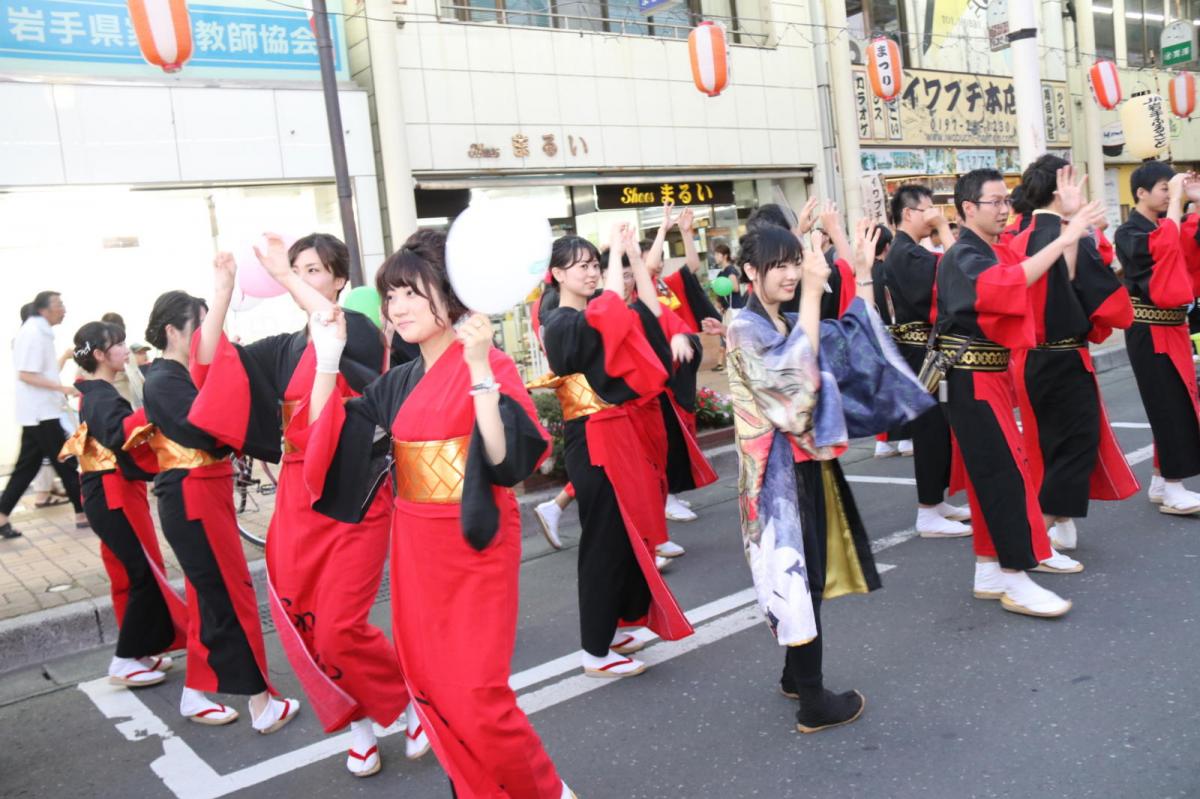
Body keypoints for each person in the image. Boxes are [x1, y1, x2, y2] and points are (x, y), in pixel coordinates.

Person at [301, 229, 574, 798]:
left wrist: (478, 369)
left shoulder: (489, 360)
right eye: (391, 295)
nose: (396, 307)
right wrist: (326, 360)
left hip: (473, 548)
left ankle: (547, 791)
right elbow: (326, 445)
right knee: (431, 687)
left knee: (478, 698)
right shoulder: (400, 380)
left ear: (449, 296)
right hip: (416, 551)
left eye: (410, 292)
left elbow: (509, 461)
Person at [187, 234, 420, 777]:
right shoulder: (286, 346)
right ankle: (356, 725)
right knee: (302, 623)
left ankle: (406, 701)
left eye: (314, 270)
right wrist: (222, 291)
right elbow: (209, 366)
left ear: (340, 279)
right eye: (295, 270)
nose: (301, 278)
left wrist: (287, 279)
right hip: (297, 492)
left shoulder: (360, 329)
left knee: (340, 626)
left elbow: (337, 340)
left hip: (352, 489)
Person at [725, 221, 930, 733]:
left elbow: (843, 343)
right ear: (751, 272)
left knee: (805, 577)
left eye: (796, 262)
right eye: (780, 265)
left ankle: (797, 676)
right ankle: (813, 702)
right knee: (799, 580)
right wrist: (816, 294)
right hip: (777, 481)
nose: (792, 274)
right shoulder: (743, 327)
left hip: (799, 469)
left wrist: (860, 276)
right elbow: (794, 390)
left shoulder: (776, 317)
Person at [936, 168, 1105, 618]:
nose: (1003, 209)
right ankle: (1015, 575)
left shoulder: (988, 250)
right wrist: (1064, 234)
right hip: (971, 380)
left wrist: (1066, 227)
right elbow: (1007, 286)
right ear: (968, 208)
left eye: (1004, 201)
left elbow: (1044, 275)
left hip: (984, 378)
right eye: (994, 202)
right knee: (1005, 479)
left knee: (992, 476)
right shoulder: (963, 255)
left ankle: (990, 570)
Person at [135, 289, 300, 731]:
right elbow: (206, 431)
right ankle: (262, 702)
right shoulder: (163, 379)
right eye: (201, 326)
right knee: (230, 594)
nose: (210, 335)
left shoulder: (178, 374)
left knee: (210, 597)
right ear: (173, 330)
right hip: (192, 495)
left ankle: (194, 692)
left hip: (201, 491)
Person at [541, 225, 695, 679]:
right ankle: (594, 650)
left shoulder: (584, 314)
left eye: (594, 264)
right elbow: (609, 313)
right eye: (582, 266)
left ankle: (611, 629)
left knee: (624, 537)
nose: (590, 273)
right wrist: (615, 258)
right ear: (557, 275)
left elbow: (622, 318)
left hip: (611, 432)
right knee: (603, 543)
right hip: (592, 438)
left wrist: (624, 257)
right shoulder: (560, 322)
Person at [1007, 157, 1138, 551]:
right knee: (1076, 445)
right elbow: (1108, 304)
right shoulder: (1068, 237)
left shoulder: (1018, 236)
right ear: (1061, 189)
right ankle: (1034, 539)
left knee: (1046, 446)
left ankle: (1055, 525)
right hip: (1062, 359)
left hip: (1029, 358)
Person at [58, 321, 187, 687]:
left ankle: (142, 650)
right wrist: (153, 410)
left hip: (111, 491)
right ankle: (124, 659)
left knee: (136, 571)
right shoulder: (99, 394)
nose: (124, 349)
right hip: (111, 493)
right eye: (117, 345)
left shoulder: (96, 391)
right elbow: (119, 434)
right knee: (140, 573)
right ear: (99, 355)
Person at [882, 185, 973, 537]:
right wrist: (944, 228)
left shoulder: (910, 250)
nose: (934, 214)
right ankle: (926, 510)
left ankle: (936, 501)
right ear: (909, 214)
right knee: (930, 430)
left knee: (938, 426)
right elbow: (956, 270)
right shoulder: (905, 253)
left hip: (927, 352)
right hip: (920, 353)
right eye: (928, 209)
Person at [1114, 164, 1200, 513]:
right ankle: (1174, 486)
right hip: (1148, 327)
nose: (1169, 194)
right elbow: (1164, 248)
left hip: (1175, 326)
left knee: (1178, 400)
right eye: (1164, 188)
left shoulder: (1164, 223)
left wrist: (1194, 200)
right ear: (1141, 193)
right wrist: (1179, 203)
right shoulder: (1129, 232)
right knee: (1167, 404)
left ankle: (1162, 480)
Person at [0, 291, 86, 538]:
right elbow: (26, 374)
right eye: (59, 304)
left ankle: (2, 515)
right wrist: (62, 388)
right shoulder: (33, 334)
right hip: (40, 414)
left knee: (27, 466)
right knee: (65, 461)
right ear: (43, 310)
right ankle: (82, 512)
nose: (63, 309)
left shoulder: (40, 332)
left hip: (38, 412)